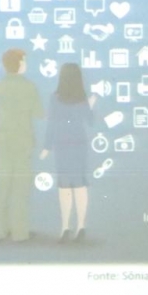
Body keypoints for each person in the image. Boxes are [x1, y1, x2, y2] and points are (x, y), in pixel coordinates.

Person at [39, 63, 96, 242]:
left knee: (64, 186)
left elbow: (52, 123)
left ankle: (65, 227)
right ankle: (81, 226)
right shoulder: (82, 98)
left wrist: (46, 147)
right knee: (80, 185)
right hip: (79, 144)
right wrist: (90, 105)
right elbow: (90, 121)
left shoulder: (54, 98)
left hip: (62, 144)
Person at [0, 48, 43, 242]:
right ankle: (20, 233)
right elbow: (39, 113)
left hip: (4, 140)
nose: (25, 64)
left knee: (3, 187)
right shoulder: (29, 87)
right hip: (22, 140)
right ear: (20, 63)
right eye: (24, 61)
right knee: (21, 189)